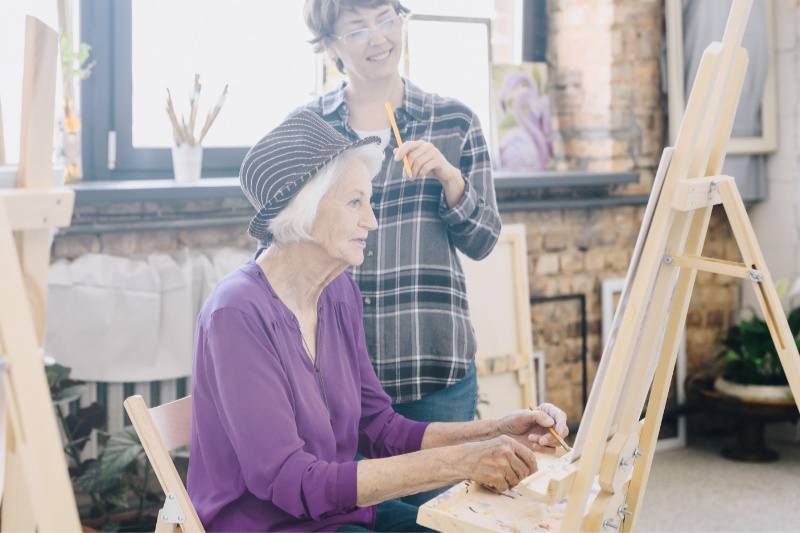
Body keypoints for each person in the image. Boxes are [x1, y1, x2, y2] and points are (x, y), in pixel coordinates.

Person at [188, 111, 568, 532]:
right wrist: (463, 462)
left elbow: (382, 428)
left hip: (338, 515)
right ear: (304, 209)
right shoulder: (236, 312)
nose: (371, 220)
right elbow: (290, 481)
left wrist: (497, 432)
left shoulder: (338, 293)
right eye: (355, 202)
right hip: (270, 525)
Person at [293, 2, 503, 506]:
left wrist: (451, 181)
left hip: (436, 369)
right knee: (364, 517)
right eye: (357, 28)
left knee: (442, 516)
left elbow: (484, 240)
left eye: (387, 19)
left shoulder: (455, 121)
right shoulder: (307, 130)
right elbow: (285, 251)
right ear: (329, 46)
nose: (378, 37)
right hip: (342, 383)